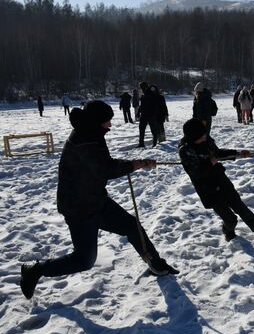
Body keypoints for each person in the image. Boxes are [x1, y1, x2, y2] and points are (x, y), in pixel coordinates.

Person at [19, 100, 178, 300]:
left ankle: (155, 263)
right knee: (84, 260)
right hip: (79, 208)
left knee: (131, 226)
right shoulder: (84, 139)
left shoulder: (91, 132)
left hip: (95, 200)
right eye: (107, 122)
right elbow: (105, 169)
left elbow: (103, 164)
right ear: (96, 122)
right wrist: (136, 165)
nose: (110, 125)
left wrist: (137, 164)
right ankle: (35, 269)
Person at [178, 119, 254, 241]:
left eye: (205, 135)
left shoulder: (206, 139)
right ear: (193, 137)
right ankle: (228, 231)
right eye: (201, 136)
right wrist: (210, 162)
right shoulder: (185, 150)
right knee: (230, 219)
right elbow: (196, 173)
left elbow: (217, 153)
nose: (205, 138)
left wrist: (238, 153)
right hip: (207, 188)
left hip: (220, 179)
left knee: (240, 207)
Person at [137, 81, 159, 148]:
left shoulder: (152, 94)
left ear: (145, 87)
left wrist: (154, 113)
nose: (141, 89)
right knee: (141, 128)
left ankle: (155, 143)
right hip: (144, 114)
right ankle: (141, 143)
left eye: (142, 87)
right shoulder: (144, 95)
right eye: (141, 88)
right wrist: (138, 112)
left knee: (153, 130)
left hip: (151, 115)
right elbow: (142, 105)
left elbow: (155, 105)